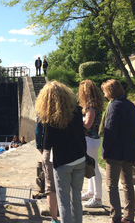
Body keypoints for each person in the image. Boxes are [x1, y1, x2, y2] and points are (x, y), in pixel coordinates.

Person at [36, 81, 86, 223]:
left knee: (63, 200)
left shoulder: (50, 116)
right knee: (76, 198)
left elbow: (47, 143)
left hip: (63, 161)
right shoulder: (76, 110)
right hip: (80, 158)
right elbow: (82, 135)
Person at [101, 79, 135, 223]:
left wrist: (105, 151)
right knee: (128, 184)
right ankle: (129, 217)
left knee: (111, 185)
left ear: (110, 92)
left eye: (105, 92)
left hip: (115, 152)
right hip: (129, 150)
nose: (104, 95)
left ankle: (115, 216)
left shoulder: (114, 106)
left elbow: (110, 131)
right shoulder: (131, 105)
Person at [78, 80, 105, 208]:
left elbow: (87, 124)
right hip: (94, 139)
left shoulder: (90, 106)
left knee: (94, 169)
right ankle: (91, 192)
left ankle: (97, 197)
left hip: (90, 139)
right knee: (91, 166)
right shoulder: (97, 104)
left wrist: (77, 123)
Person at [35, 118, 59, 223]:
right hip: (66, 151)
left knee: (50, 187)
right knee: (66, 186)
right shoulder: (70, 109)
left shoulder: (43, 112)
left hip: (49, 150)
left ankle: (54, 219)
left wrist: (39, 146)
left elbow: (38, 131)